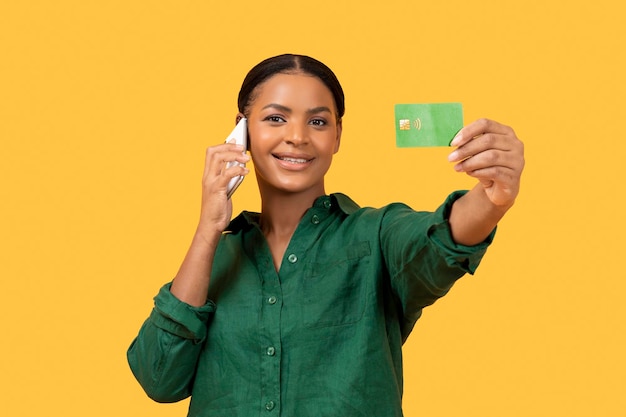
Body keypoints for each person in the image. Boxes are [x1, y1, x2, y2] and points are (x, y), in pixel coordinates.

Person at [127, 53, 525, 417]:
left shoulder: (378, 235)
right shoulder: (213, 259)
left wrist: (492, 199)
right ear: (242, 132)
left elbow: (439, 242)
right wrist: (206, 230)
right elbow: (159, 378)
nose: (298, 136)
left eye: (317, 121)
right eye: (276, 118)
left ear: (337, 136)